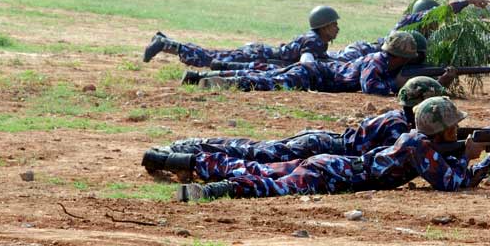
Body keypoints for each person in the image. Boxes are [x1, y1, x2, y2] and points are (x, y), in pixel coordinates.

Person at [176, 96, 490, 201]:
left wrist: (470, 152)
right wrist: (489, 154)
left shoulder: (416, 140)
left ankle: (192, 160)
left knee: (262, 169)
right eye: (454, 126)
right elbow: (453, 183)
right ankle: (215, 189)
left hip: (333, 166)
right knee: (271, 184)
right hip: (334, 175)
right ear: (444, 129)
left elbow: (449, 170)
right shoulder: (418, 144)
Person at [143, 76, 447, 177]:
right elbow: (390, 158)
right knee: (258, 155)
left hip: (323, 144)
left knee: (258, 153)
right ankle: (189, 148)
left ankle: (187, 151)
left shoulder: (398, 118)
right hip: (322, 147)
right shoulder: (398, 126)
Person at [184, 32, 456, 97]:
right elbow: (370, 87)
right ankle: (221, 81)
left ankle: (202, 76)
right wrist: (398, 87)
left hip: (316, 72)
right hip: (315, 75)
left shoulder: (384, 60)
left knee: (268, 73)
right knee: (269, 81)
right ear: (402, 57)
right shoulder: (377, 61)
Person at [144, 5, 341, 68]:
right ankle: (167, 44)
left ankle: (167, 43)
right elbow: (306, 64)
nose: (337, 29)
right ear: (323, 27)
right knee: (210, 58)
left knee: (213, 56)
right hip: (258, 56)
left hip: (259, 52)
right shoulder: (314, 42)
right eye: (333, 25)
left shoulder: (314, 39)